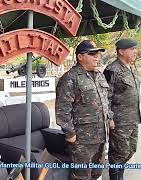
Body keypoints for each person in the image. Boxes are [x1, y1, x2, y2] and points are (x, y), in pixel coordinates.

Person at [56, 40, 112, 180]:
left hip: (101, 135)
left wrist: (109, 118)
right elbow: (63, 109)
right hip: (82, 140)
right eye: (92, 54)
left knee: (96, 172)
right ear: (80, 56)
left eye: (98, 54)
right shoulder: (70, 78)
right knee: (81, 175)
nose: (97, 57)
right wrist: (69, 132)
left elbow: (105, 100)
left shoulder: (99, 75)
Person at [103, 38, 141, 180]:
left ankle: (120, 176)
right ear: (121, 51)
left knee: (130, 149)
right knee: (118, 153)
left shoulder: (131, 67)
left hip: (132, 119)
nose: (135, 51)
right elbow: (105, 96)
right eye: (132, 49)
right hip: (119, 122)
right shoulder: (112, 70)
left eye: (135, 48)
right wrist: (109, 118)